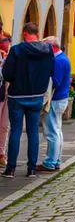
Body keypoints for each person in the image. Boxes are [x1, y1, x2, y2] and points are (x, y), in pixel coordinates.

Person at [0, 23, 54, 178]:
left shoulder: (17, 50)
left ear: (24, 33)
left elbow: (8, 73)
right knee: (33, 132)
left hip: (17, 95)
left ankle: (10, 169)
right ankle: (31, 169)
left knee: (16, 131)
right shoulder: (47, 50)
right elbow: (51, 71)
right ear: (37, 34)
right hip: (37, 95)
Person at [37, 37, 70, 173]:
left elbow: (54, 82)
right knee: (57, 131)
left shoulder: (57, 61)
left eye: (45, 46)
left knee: (51, 133)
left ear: (52, 47)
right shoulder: (63, 58)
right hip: (61, 99)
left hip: (55, 100)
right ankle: (56, 160)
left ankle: (50, 162)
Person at [0, 34, 11, 168]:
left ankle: (2, 153)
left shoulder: (10, 56)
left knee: (4, 126)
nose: (6, 43)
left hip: (8, 94)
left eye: (7, 41)